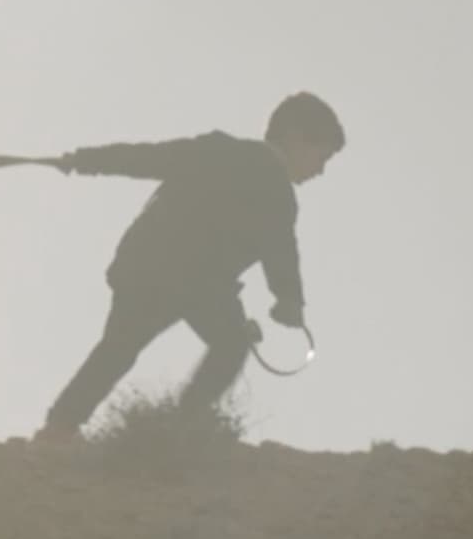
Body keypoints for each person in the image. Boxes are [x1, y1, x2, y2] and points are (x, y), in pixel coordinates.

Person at [29, 91, 344, 444]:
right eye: (322, 156)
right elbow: (281, 249)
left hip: (147, 265)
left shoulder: (218, 149)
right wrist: (289, 299)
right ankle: (183, 427)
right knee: (230, 343)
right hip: (191, 280)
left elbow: (148, 158)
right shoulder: (277, 190)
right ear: (295, 137)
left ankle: (59, 428)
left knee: (118, 348)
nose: (321, 169)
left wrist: (85, 160)